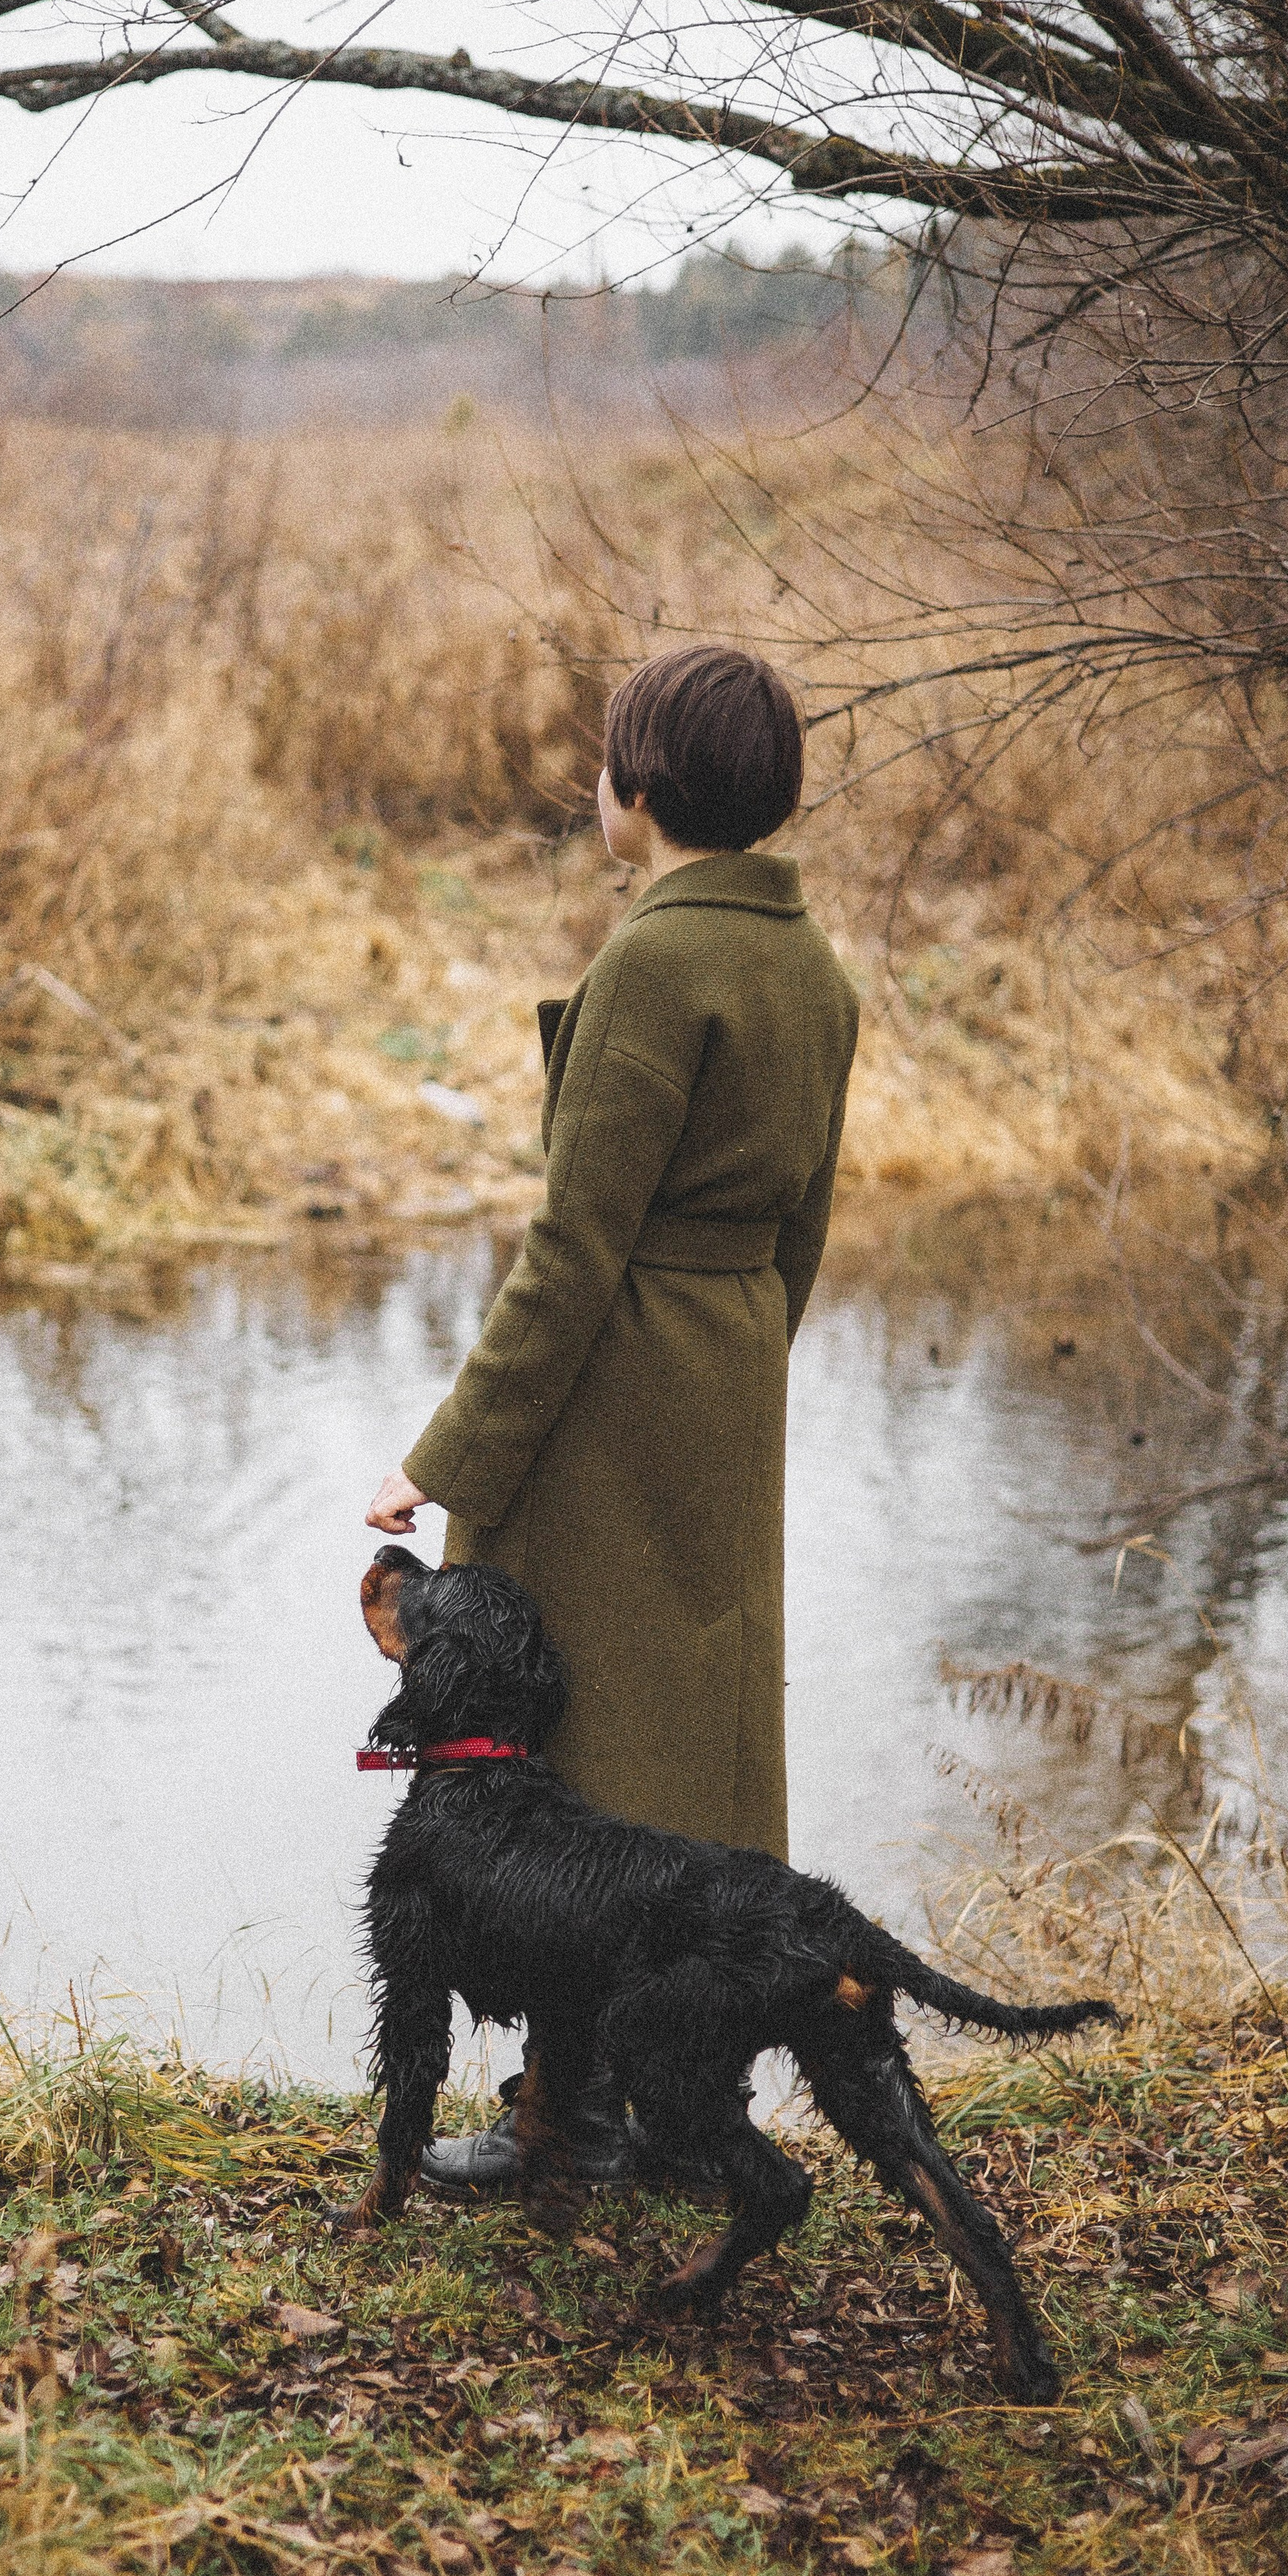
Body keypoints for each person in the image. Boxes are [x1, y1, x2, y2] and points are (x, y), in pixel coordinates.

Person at [364, 643, 860, 2195]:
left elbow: (570, 1254)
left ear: (640, 790)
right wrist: (736, 1368)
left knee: (564, 1765)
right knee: (686, 1751)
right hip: (721, 1381)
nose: (594, 788)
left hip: (602, 1403)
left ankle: (567, 2120)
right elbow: (802, 1233)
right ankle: (660, 2111)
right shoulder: (809, 970)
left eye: (603, 764)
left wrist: (437, 1462)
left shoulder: (655, 961)